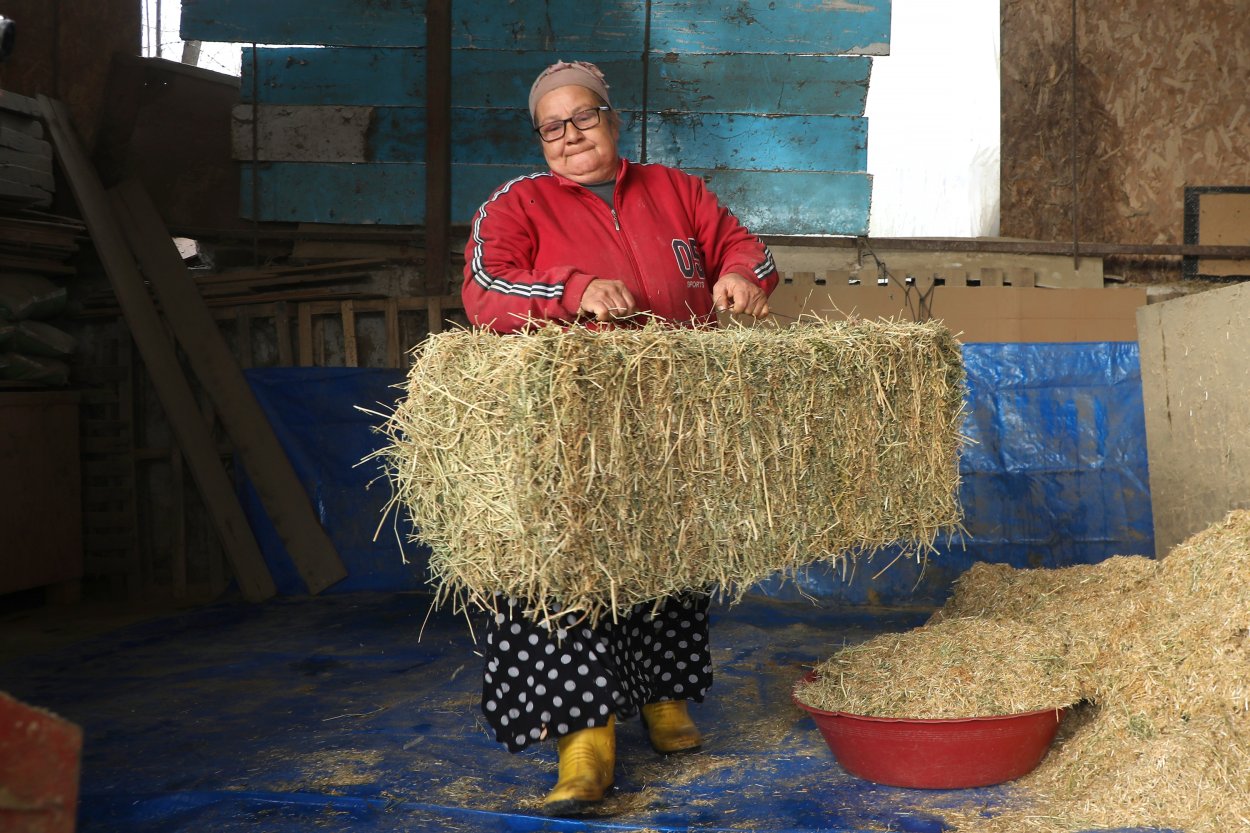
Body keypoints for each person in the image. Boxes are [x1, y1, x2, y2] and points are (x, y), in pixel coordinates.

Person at [460, 59, 778, 816]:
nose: (571, 135)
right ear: (539, 138)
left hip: (671, 413)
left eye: (584, 117)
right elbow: (484, 293)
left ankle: (664, 699)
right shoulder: (518, 203)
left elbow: (745, 245)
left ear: (613, 117)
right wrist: (572, 290)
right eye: (553, 125)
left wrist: (741, 275)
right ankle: (584, 742)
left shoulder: (675, 189)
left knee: (672, 554)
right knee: (568, 566)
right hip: (570, 425)